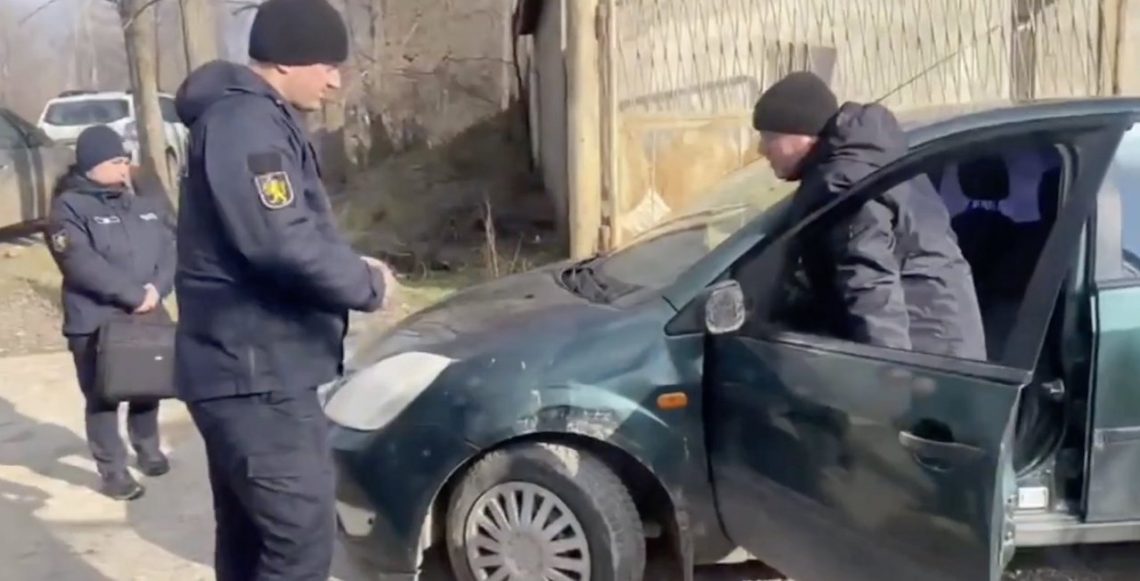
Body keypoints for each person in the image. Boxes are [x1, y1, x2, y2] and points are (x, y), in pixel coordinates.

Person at [171, 0, 396, 578]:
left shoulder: (248, 118)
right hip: (255, 375)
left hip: (248, 366)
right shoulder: (245, 123)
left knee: (251, 539)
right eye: (327, 65)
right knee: (299, 542)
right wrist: (366, 284)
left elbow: (282, 229)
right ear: (287, 61)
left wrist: (347, 263)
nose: (335, 81)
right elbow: (280, 240)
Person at [752, 71, 987, 360]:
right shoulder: (864, 163)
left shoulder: (846, 180)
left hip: (925, 358)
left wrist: (890, 374)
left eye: (770, 137)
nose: (762, 149)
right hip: (942, 344)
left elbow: (871, 286)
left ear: (803, 135)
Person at [44, 124, 175, 501]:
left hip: (146, 313)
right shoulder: (68, 208)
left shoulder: (140, 202)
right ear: (92, 165)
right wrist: (132, 295)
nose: (124, 167)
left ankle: (147, 448)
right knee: (103, 396)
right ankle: (113, 471)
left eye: (125, 159)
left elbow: (170, 246)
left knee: (147, 386)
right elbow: (80, 263)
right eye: (116, 161)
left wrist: (156, 289)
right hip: (95, 321)